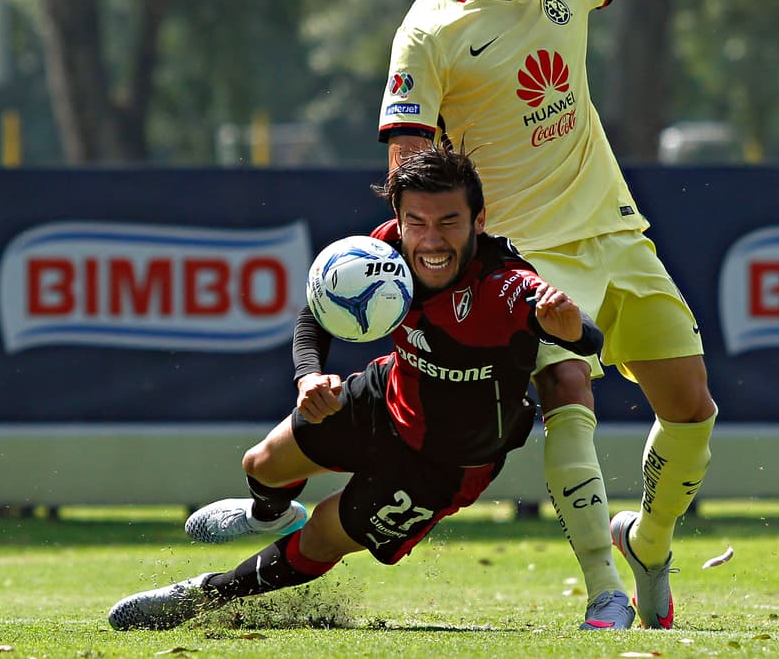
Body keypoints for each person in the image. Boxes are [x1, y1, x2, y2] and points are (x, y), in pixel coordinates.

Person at [377, 0, 779, 629]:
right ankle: (603, 592)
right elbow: (408, 164)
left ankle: (647, 543)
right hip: (528, 256)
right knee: (567, 393)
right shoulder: (427, 33)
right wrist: (439, 257)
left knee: (692, 408)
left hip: (617, 234)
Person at [108, 145, 605, 631]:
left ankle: (200, 597)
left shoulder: (507, 284)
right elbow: (315, 316)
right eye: (418, 222)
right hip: (386, 396)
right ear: (399, 218)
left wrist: (566, 326)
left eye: (449, 222)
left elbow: (585, 336)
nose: (431, 240)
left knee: (321, 536)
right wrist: (309, 378)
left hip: (446, 463)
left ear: (479, 220)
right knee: (260, 464)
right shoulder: (382, 251)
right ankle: (269, 515)